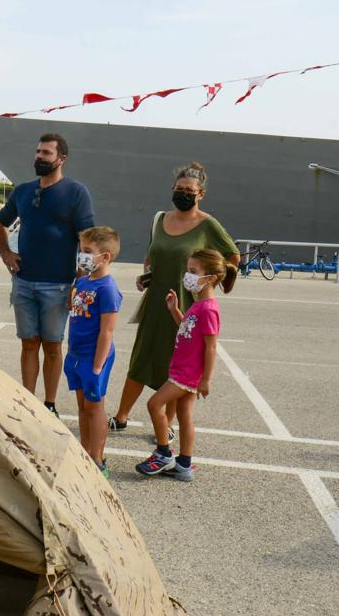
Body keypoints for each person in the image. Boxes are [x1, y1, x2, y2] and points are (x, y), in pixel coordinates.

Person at [109, 163, 240, 432]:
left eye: (189, 190)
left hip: (186, 306)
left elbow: (232, 256)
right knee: (141, 358)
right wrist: (146, 275)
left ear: (200, 194)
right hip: (157, 302)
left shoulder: (208, 225)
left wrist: (213, 283)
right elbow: (151, 256)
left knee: (175, 363)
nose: (183, 193)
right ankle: (121, 416)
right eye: (179, 189)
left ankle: (166, 424)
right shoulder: (159, 219)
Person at [0, 133, 95, 415]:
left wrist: (79, 280)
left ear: (61, 159)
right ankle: (27, 402)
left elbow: (87, 239)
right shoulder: (24, 191)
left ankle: (49, 405)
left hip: (58, 286)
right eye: (38, 151)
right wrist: (5, 253)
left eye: (46, 153)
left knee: (52, 346)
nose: (39, 156)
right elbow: (0, 224)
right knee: (28, 343)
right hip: (24, 282)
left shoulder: (76, 192)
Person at [134, 249, 234, 481]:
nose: (187, 276)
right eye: (187, 270)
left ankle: (163, 453)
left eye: (192, 271)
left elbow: (211, 346)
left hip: (187, 374)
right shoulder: (198, 304)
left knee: (154, 404)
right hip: (182, 369)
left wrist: (206, 378)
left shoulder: (208, 309)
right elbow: (187, 329)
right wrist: (175, 311)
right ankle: (184, 465)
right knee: (184, 414)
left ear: (210, 278)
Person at [64, 226, 122, 475]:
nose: (82, 255)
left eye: (88, 251)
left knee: (95, 406)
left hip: (94, 357)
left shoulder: (107, 288)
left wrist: (98, 365)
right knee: (82, 407)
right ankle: (84, 451)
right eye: (81, 249)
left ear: (105, 256)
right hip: (76, 354)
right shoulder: (83, 281)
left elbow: (106, 331)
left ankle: (97, 460)